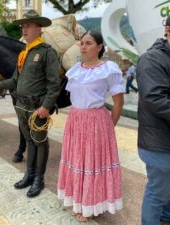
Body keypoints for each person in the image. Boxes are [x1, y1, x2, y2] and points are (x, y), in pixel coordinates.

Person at [0, 9, 60, 198]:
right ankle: (29, 174)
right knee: (29, 141)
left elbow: (54, 84)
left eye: (28, 26)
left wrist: (46, 106)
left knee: (40, 141)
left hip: (38, 108)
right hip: (21, 106)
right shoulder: (24, 53)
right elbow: (15, 81)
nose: (24, 29)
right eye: (23, 26)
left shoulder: (47, 53)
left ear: (39, 29)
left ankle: (39, 180)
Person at [57, 31, 124, 222]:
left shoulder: (109, 69)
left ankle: (92, 206)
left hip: (97, 122)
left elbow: (118, 103)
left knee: (94, 164)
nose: (83, 47)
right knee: (78, 161)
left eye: (88, 43)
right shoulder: (75, 70)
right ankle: (81, 202)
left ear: (99, 47)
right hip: (76, 120)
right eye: (81, 43)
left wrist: (109, 128)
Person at [136, 11, 170, 225]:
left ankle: (167, 220)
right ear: (168, 30)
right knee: (159, 191)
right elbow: (155, 99)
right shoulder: (151, 59)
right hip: (157, 140)